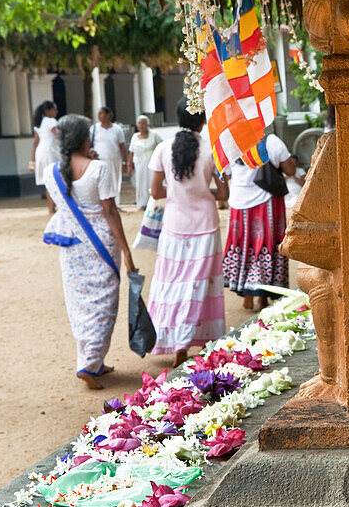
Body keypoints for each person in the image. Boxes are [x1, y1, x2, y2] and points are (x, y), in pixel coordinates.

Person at [43, 114, 135, 390]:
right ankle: (89, 362)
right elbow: (109, 211)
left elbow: (55, 207)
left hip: (72, 246)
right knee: (104, 304)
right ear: (86, 138)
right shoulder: (99, 169)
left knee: (80, 304)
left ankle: (93, 359)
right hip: (101, 244)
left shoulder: (51, 171)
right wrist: (126, 251)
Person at [147, 101, 228, 367]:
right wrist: (206, 193)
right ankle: (194, 339)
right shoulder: (213, 149)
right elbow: (224, 194)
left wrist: (178, 192)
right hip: (205, 223)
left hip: (174, 224)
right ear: (203, 121)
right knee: (200, 284)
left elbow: (155, 192)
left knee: (172, 282)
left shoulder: (162, 148)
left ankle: (174, 340)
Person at [222, 133, 296, 309]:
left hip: (239, 202)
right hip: (265, 201)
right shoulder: (271, 142)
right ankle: (263, 295)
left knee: (245, 246)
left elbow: (226, 172)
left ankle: (246, 293)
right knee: (265, 245)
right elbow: (290, 170)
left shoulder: (230, 141)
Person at [126, 115, 162, 210]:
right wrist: (129, 165)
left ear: (147, 124)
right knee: (141, 184)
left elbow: (161, 146)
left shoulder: (154, 134)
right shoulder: (135, 137)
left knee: (152, 183)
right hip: (139, 164)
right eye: (139, 123)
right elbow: (131, 152)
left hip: (152, 164)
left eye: (143, 123)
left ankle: (153, 204)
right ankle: (142, 204)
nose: (141, 125)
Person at [29, 100, 60, 213]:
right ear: (48, 111)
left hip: (40, 153)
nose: (56, 111)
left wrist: (32, 161)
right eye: (54, 109)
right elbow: (58, 136)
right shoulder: (51, 121)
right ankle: (58, 206)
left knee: (48, 181)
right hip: (50, 152)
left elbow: (36, 142)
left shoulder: (39, 123)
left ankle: (51, 208)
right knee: (56, 179)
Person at [91, 106, 127, 197]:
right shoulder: (94, 128)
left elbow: (122, 146)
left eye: (101, 113)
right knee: (102, 181)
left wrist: (124, 162)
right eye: (98, 114)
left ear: (108, 115)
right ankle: (104, 202)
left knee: (115, 181)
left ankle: (115, 203)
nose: (99, 116)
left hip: (114, 159)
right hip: (99, 160)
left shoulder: (117, 129)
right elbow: (89, 144)